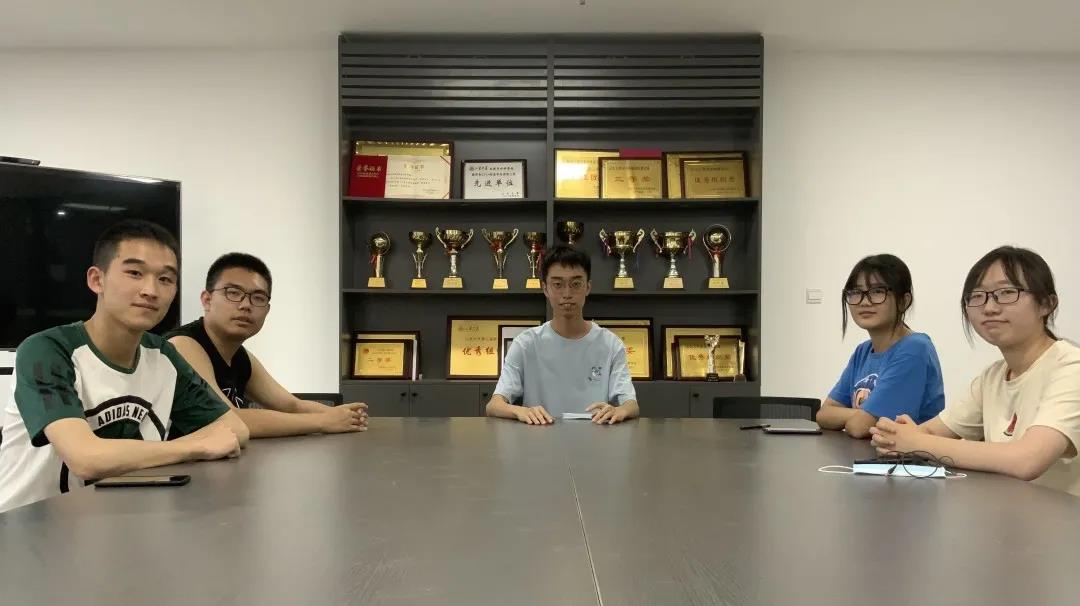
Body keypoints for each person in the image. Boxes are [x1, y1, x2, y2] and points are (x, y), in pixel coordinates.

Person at [0, 220, 249, 513]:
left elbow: (235, 429)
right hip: (25, 527)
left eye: (165, 279)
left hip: (116, 521)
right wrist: (195, 445)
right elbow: (85, 458)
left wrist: (204, 442)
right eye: (134, 273)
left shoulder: (163, 355)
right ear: (97, 280)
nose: (151, 290)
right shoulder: (47, 350)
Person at [872, 246, 1080, 495]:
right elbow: (929, 431)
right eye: (977, 296)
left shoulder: (1071, 367)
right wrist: (901, 436)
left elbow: (1028, 460)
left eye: (1006, 292)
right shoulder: (993, 377)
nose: (989, 307)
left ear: (1046, 304)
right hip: (1009, 511)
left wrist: (916, 442)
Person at [167, 253, 368, 438]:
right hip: (178, 465)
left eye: (258, 298)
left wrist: (344, 416)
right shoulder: (182, 345)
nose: (245, 305)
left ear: (267, 310)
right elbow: (229, 420)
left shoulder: (239, 356)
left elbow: (291, 405)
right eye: (233, 293)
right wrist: (324, 422)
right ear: (207, 300)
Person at [485, 245, 639, 425]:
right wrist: (521, 411)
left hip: (596, 437)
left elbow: (631, 404)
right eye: (558, 285)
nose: (567, 294)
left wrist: (619, 410)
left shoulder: (610, 344)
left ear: (588, 287)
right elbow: (493, 405)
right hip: (539, 437)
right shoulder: (526, 344)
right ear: (545, 289)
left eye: (576, 284)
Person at [816, 254, 945, 438]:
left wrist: (859, 418)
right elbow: (824, 414)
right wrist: (863, 415)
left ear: (903, 301)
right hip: (867, 453)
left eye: (877, 291)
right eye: (856, 292)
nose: (864, 301)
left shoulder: (915, 349)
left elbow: (860, 427)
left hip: (908, 456)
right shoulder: (863, 351)